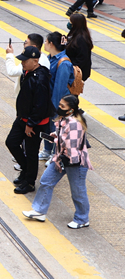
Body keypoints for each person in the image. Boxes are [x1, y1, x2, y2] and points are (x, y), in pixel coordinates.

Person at [23, 95, 92, 229]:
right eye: (59, 105)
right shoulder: (65, 119)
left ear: (71, 110)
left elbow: (72, 149)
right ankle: (39, 211)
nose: (59, 108)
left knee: (78, 191)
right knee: (46, 181)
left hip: (74, 163)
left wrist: (58, 141)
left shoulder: (74, 124)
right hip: (62, 159)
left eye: (62, 106)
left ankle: (82, 218)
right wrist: (56, 136)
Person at [6, 46, 53, 194]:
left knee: (32, 153)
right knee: (11, 142)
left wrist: (30, 124)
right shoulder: (28, 72)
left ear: (35, 61)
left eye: (25, 61)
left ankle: (30, 182)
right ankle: (26, 171)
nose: (22, 63)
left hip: (35, 123)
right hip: (23, 118)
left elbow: (40, 105)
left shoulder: (40, 79)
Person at [39, 31, 76, 160]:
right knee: (48, 127)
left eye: (45, 41)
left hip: (57, 102)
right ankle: (47, 151)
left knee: (57, 129)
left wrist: (54, 108)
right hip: (49, 100)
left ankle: (56, 154)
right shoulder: (49, 58)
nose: (44, 44)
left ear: (51, 44)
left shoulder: (64, 63)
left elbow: (59, 88)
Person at [65, 13, 93, 82]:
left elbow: (82, 58)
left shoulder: (81, 39)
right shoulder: (75, 34)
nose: (69, 23)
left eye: (71, 22)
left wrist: (71, 68)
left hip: (77, 72)